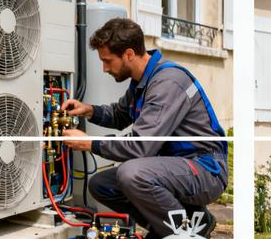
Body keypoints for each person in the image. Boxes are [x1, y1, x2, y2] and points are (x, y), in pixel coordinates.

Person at [61, 18, 228, 239]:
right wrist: (89, 110)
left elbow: (141, 146)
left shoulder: (167, 82)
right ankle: (184, 222)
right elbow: (121, 114)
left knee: (133, 174)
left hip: (205, 168)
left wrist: (90, 143)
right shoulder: (143, 81)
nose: (104, 68)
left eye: (108, 61)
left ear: (129, 54)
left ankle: (183, 234)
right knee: (101, 184)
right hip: (175, 167)